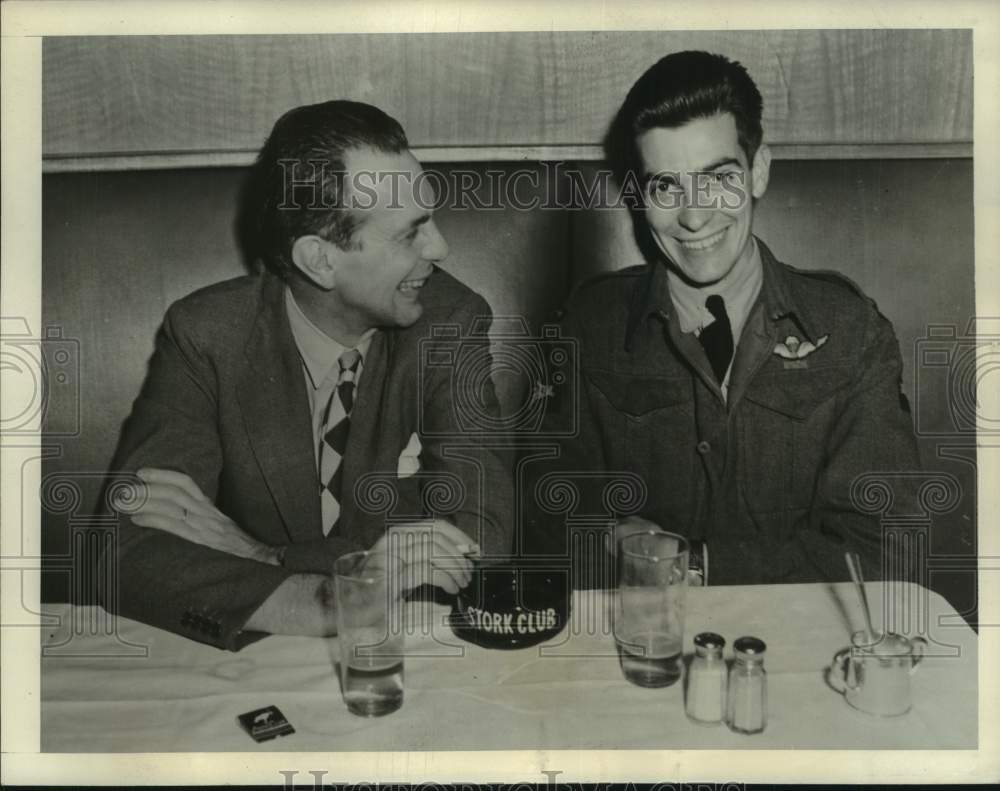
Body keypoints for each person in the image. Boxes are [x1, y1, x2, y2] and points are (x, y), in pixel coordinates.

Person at [102, 100, 513, 650]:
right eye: (409, 233)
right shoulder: (208, 334)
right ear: (320, 260)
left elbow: (481, 538)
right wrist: (325, 601)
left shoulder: (452, 321)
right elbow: (120, 553)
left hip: (399, 651)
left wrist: (264, 556)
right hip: (255, 658)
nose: (440, 247)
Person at [525, 51, 921, 585]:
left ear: (757, 171)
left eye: (717, 179)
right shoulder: (590, 326)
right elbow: (547, 523)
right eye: (665, 185)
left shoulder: (851, 331)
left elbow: (885, 553)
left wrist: (693, 564)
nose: (693, 215)